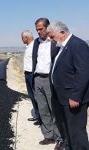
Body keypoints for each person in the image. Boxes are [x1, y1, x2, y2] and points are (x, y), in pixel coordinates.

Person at [47, 21, 89, 150]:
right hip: (61, 98)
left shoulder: (78, 45)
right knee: (68, 131)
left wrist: (76, 96)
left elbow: (84, 72)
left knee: (76, 133)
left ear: (62, 33)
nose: (51, 39)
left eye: (52, 36)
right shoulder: (61, 46)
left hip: (73, 99)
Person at [32, 18, 62, 147]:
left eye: (41, 29)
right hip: (38, 79)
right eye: (37, 30)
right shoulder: (36, 43)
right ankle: (48, 136)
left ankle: (60, 138)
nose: (38, 32)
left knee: (54, 109)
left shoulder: (55, 42)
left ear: (47, 27)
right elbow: (35, 60)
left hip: (50, 80)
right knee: (43, 109)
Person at [21, 30, 41, 125]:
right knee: (32, 96)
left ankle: (41, 118)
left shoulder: (35, 46)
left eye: (22, 38)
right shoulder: (28, 47)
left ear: (26, 38)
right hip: (27, 74)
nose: (22, 40)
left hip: (32, 74)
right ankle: (37, 116)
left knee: (37, 96)